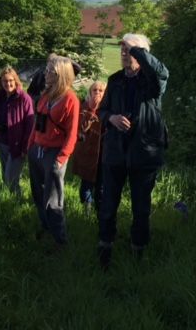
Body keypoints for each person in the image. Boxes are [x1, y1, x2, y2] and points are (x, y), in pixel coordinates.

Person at [96, 33, 169, 270]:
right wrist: (112, 118)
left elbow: (160, 71)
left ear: (143, 53)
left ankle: (139, 250)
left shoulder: (152, 82)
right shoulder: (115, 79)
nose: (124, 53)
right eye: (123, 49)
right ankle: (105, 246)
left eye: (130, 50)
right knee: (108, 205)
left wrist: (138, 49)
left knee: (141, 208)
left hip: (144, 153)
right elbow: (102, 111)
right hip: (115, 152)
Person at [27, 56, 80, 246]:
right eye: (46, 70)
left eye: (51, 71)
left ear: (61, 75)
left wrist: (61, 158)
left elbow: (72, 133)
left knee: (53, 199)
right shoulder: (46, 94)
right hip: (37, 151)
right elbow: (37, 122)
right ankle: (45, 226)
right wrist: (30, 146)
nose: (46, 74)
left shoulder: (70, 99)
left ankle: (60, 241)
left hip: (54, 153)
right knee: (38, 194)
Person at [0, 66, 35, 197]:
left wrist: (25, 146)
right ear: (1, 82)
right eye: (4, 81)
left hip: (17, 144)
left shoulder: (24, 98)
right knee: (5, 176)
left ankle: (17, 200)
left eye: (10, 80)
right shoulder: (0, 97)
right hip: (3, 142)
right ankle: (9, 202)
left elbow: (30, 125)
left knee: (11, 177)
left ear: (16, 81)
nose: (8, 84)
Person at [70, 81, 106, 213]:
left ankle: (100, 213)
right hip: (87, 153)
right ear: (90, 93)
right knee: (86, 185)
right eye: (94, 90)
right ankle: (87, 210)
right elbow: (81, 129)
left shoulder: (108, 108)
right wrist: (91, 110)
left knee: (101, 186)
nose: (97, 93)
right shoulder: (84, 107)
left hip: (102, 154)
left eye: (100, 91)